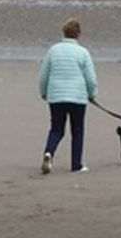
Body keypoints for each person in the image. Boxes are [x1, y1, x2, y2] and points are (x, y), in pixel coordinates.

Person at [38, 18, 98, 174]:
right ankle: (76, 164)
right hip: (77, 97)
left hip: (56, 96)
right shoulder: (83, 52)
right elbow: (90, 78)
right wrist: (92, 94)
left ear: (63, 32)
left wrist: (43, 92)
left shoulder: (53, 50)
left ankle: (49, 152)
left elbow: (44, 74)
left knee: (56, 129)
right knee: (77, 130)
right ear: (78, 34)